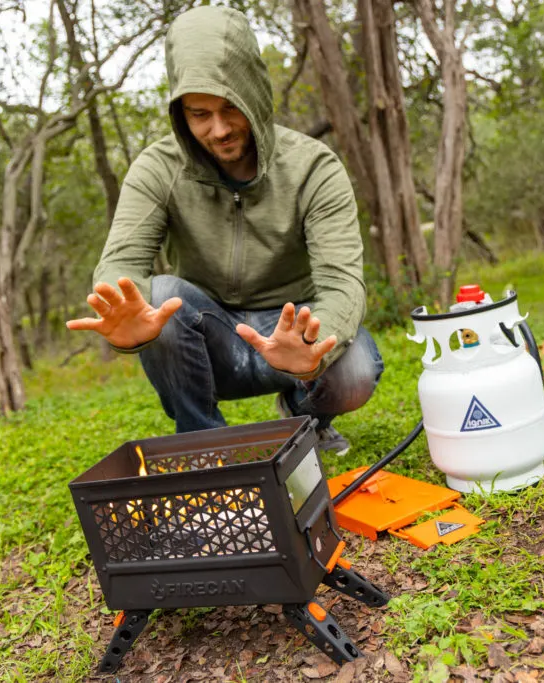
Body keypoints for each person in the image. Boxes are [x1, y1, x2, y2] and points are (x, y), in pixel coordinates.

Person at [67, 6, 383, 455]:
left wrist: (315, 345)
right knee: (158, 296)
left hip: (291, 326)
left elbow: (343, 285)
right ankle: (203, 443)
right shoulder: (158, 168)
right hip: (209, 332)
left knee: (353, 371)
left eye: (230, 108)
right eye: (199, 114)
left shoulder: (314, 167)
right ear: (181, 112)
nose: (218, 130)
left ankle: (307, 417)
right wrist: (128, 310)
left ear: (255, 94)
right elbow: (122, 262)